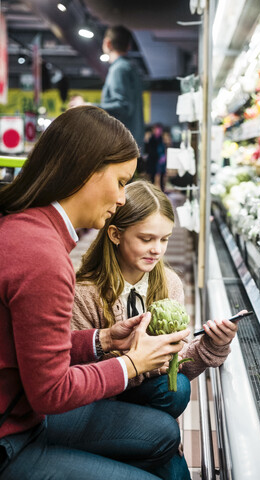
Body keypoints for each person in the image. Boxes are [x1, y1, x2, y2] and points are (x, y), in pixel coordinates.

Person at [0, 106, 191, 480]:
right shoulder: (42, 257)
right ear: (87, 173)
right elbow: (51, 392)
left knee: (164, 432)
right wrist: (132, 364)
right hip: (11, 435)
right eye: (121, 182)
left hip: (23, 413)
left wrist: (102, 340)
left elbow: (34, 349)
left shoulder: (27, 229)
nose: (122, 199)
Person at [72, 180, 239, 411]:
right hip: (96, 403)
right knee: (169, 419)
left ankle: (149, 435)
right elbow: (79, 374)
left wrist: (212, 345)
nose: (157, 249)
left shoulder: (169, 283)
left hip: (142, 393)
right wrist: (141, 363)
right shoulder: (84, 292)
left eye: (164, 239)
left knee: (178, 388)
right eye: (146, 239)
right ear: (115, 234)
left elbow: (178, 363)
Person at [69, 26, 144, 155]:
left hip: (119, 145)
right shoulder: (130, 69)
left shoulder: (119, 69)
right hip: (127, 144)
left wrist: (87, 106)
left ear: (107, 43)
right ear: (128, 47)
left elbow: (123, 107)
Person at [145, 124, 167, 191]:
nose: (158, 131)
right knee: (152, 178)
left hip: (161, 163)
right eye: (156, 129)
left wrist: (163, 157)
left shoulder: (162, 140)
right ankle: (151, 191)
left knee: (161, 179)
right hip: (153, 161)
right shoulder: (151, 140)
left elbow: (163, 150)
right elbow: (149, 151)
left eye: (159, 130)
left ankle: (162, 192)